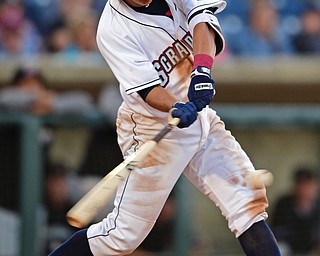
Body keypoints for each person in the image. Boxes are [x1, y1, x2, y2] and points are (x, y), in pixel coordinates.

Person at [49, 0, 281, 255]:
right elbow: (148, 90)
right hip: (152, 125)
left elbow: (202, 21)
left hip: (200, 118)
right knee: (121, 236)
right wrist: (175, 106)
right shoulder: (112, 29)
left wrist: (202, 71)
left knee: (247, 202)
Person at [271, 167, 320, 255]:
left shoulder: (317, 205)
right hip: (288, 247)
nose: (305, 190)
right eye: (302, 185)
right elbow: (277, 231)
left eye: (309, 185)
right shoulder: (284, 204)